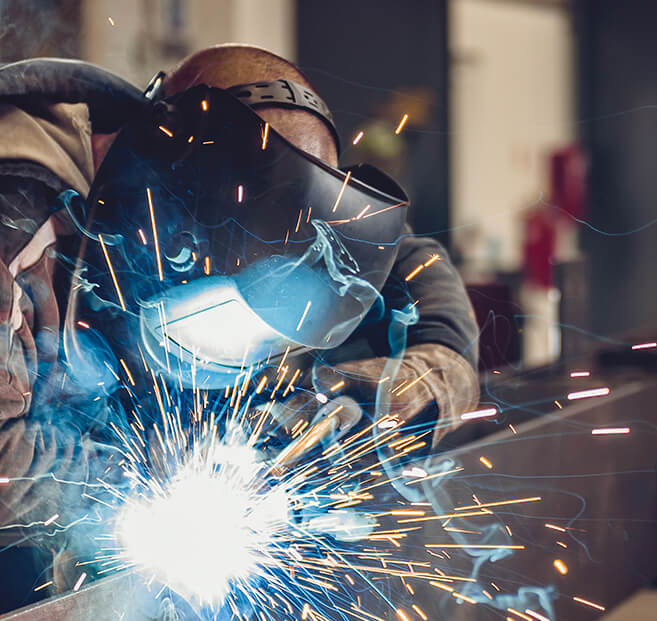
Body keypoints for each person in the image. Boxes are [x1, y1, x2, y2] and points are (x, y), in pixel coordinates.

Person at [0, 44, 479, 602]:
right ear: (165, 197)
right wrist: (153, 490)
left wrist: (424, 372)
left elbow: (407, 259)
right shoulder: (15, 217)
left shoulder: (224, 201)